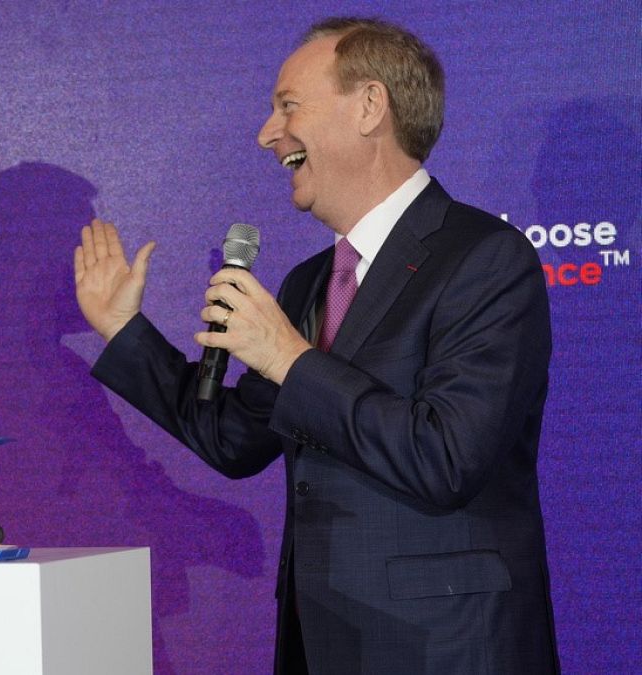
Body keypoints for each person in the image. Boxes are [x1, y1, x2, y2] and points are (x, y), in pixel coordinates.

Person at [75, 17, 559, 675]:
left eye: (288, 106)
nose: (266, 134)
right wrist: (123, 330)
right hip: (321, 641)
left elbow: (447, 455)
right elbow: (234, 438)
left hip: (444, 646)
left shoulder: (485, 258)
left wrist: (289, 357)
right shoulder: (309, 281)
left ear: (369, 107)